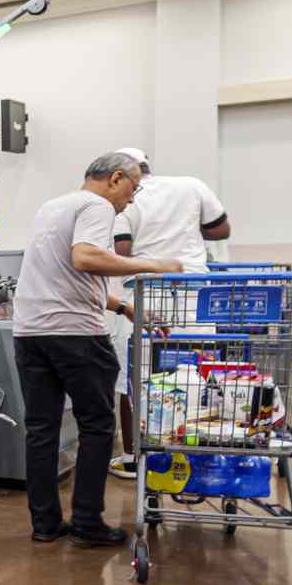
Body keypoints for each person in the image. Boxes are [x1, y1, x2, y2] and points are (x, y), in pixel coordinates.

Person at [12, 151, 181, 548]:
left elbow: (64, 275)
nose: (132, 199)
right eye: (133, 188)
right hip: (75, 336)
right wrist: (153, 265)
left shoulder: (52, 207)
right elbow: (85, 258)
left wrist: (121, 305)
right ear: (116, 178)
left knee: (41, 430)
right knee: (98, 425)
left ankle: (46, 525)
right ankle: (88, 521)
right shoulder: (97, 205)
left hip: (30, 333)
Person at [106, 148, 230, 478]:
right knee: (197, 373)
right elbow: (221, 230)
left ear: (120, 174)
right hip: (195, 297)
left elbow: (122, 251)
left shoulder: (126, 199)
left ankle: (134, 457)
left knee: (134, 379)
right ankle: (193, 451)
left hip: (148, 297)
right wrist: (185, 232)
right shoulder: (191, 186)